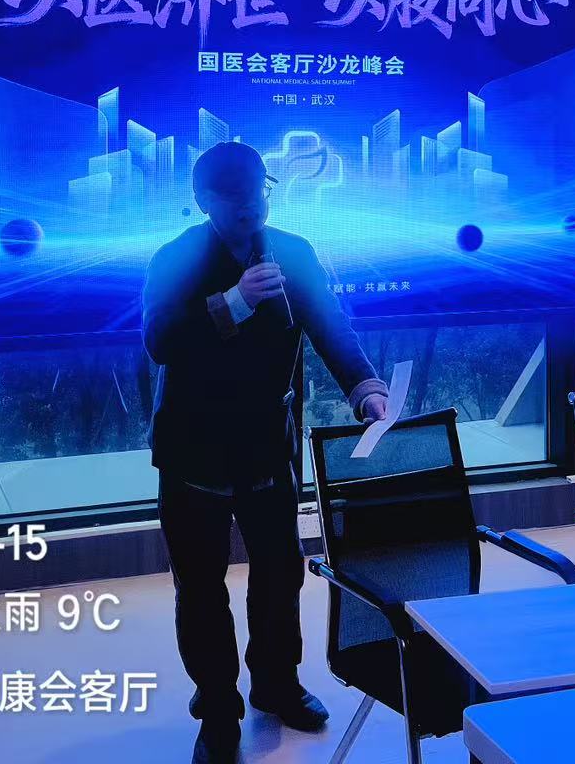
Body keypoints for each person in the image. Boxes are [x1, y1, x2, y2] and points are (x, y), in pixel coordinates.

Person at [144, 141, 390, 764]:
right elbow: (160, 342)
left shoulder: (293, 252)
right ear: (204, 200)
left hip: (265, 449)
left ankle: (276, 683)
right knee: (201, 586)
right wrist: (235, 301)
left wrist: (365, 387)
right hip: (193, 453)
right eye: (235, 197)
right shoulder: (176, 258)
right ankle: (218, 709)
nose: (251, 206)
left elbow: (330, 324)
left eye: (259, 192)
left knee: (280, 575)